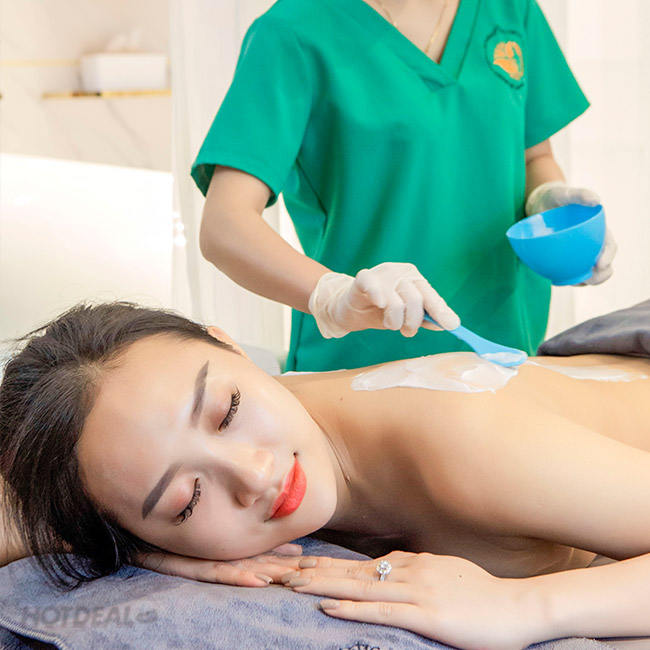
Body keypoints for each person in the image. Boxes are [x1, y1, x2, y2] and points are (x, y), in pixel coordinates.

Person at [1, 301, 650, 650]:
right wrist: (136, 550)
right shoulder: (134, 498)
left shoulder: (466, 447)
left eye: (228, 411)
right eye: (186, 500)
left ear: (229, 345)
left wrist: (523, 607)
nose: (256, 475)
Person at [191, 0, 615, 372]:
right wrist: (332, 296)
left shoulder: (509, 9)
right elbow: (225, 225)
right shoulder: (293, 32)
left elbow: (532, 156)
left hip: (503, 355)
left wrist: (548, 202)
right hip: (362, 373)